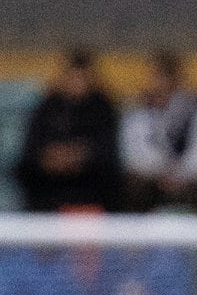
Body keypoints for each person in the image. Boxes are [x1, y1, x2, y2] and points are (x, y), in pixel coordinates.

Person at [15, 50, 126, 211]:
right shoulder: (48, 107)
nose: (77, 83)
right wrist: (52, 157)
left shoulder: (102, 108)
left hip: (90, 183)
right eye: (73, 77)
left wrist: (79, 155)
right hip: (50, 186)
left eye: (81, 78)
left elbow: (107, 149)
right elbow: (33, 147)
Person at [118, 51, 197, 210]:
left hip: (191, 177)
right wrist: (161, 171)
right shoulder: (136, 108)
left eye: (163, 77)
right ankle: (135, 233)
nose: (157, 83)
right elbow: (132, 154)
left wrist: (181, 174)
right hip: (152, 176)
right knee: (131, 182)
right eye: (154, 76)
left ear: (177, 78)